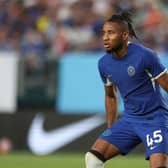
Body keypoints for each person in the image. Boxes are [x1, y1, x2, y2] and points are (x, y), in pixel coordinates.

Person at [85, 11, 168, 168]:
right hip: (130, 120)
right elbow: (110, 96)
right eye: (104, 33)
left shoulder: (145, 56)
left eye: (110, 33)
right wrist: (112, 128)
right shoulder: (103, 64)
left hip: (154, 120)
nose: (105, 38)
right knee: (92, 159)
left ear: (124, 35)